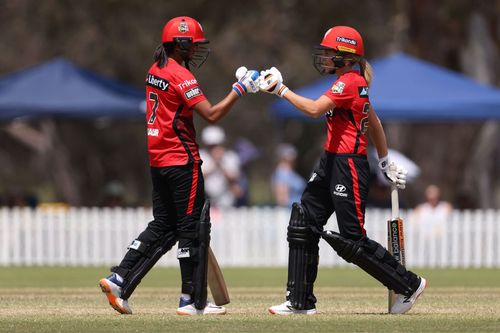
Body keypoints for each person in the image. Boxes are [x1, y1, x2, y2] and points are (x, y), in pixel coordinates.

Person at [259, 26, 426, 315]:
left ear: (347, 56)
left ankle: (409, 284)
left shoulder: (349, 82)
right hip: (330, 161)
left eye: (329, 53)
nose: (324, 58)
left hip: (347, 163)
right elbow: (373, 121)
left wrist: (281, 90)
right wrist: (384, 161)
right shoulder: (353, 81)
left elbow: (313, 110)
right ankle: (299, 301)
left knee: (351, 239)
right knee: (303, 224)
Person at [98, 16, 259, 316]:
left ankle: (119, 278)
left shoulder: (154, 70)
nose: (197, 50)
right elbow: (210, 114)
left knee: (164, 226)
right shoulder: (180, 76)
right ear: (180, 45)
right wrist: (240, 89)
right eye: (194, 45)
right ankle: (191, 300)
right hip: (182, 161)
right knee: (192, 229)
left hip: (158, 161)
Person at [199, 126, 243, 208]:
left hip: (226, 201)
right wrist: (214, 163)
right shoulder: (201, 155)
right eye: (211, 146)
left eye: (216, 145)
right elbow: (198, 177)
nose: (214, 148)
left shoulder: (230, 156)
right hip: (205, 200)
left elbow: (234, 177)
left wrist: (220, 164)